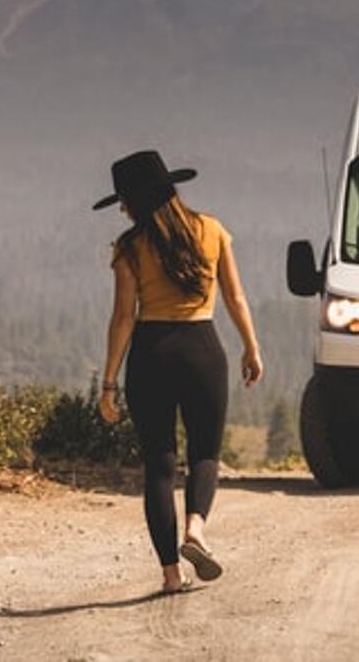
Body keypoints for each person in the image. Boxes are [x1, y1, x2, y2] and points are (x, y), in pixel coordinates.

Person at [93, 150, 264, 594]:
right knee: (205, 453)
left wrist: (108, 382)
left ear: (137, 200)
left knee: (159, 467)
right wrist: (251, 346)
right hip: (202, 350)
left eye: (125, 201)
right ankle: (196, 529)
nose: (124, 209)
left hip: (151, 354)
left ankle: (171, 575)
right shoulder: (211, 230)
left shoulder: (130, 247)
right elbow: (235, 297)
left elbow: (123, 318)